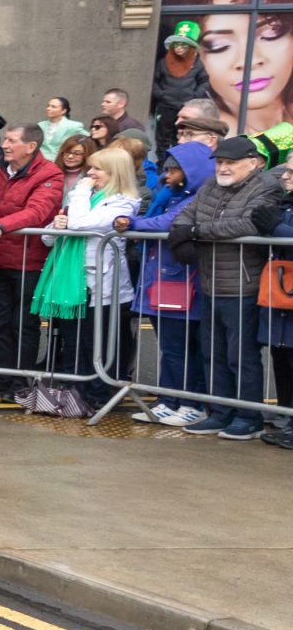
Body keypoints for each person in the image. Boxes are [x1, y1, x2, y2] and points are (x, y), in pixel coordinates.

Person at [167, 136, 288, 439]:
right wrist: (186, 231)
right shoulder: (210, 186)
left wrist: (196, 232)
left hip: (244, 286)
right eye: (219, 161)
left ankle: (248, 417)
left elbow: (248, 224)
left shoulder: (266, 187)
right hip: (211, 282)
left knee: (241, 356)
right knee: (213, 353)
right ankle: (220, 412)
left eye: (230, 162)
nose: (222, 167)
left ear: (252, 162)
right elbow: (186, 215)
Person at [33, 147, 142, 412]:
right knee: (74, 343)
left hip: (101, 285)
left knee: (98, 344)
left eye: (96, 169)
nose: (89, 173)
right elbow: (48, 237)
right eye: (90, 168)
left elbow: (81, 224)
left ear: (114, 172)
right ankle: (74, 394)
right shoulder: (86, 198)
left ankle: (98, 396)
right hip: (73, 283)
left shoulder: (123, 202)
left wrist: (78, 192)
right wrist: (56, 226)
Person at [117, 138, 213, 426]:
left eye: (172, 171)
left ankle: (189, 401)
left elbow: (167, 222)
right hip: (164, 279)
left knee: (180, 347)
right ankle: (170, 399)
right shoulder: (170, 194)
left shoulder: (194, 197)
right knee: (172, 346)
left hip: (182, 282)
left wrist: (131, 223)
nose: (165, 176)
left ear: (189, 171)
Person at [0, 124, 65, 385]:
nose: (4, 145)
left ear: (31, 146)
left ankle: (20, 382)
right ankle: (0, 376)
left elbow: (38, 211)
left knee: (24, 324)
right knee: (0, 321)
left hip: (28, 261)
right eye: (5, 140)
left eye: (11, 141)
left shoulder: (50, 174)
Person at [151, 19, 215, 151]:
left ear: (190, 48)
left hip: (186, 109)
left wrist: (194, 96)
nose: (179, 48)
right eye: (176, 45)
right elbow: (155, 82)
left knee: (182, 138)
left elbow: (204, 81)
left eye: (183, 45)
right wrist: (161, 95)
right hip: (166, 107)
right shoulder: (163, 63)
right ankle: (161, 165)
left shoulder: (196, 64)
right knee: (162, 139)